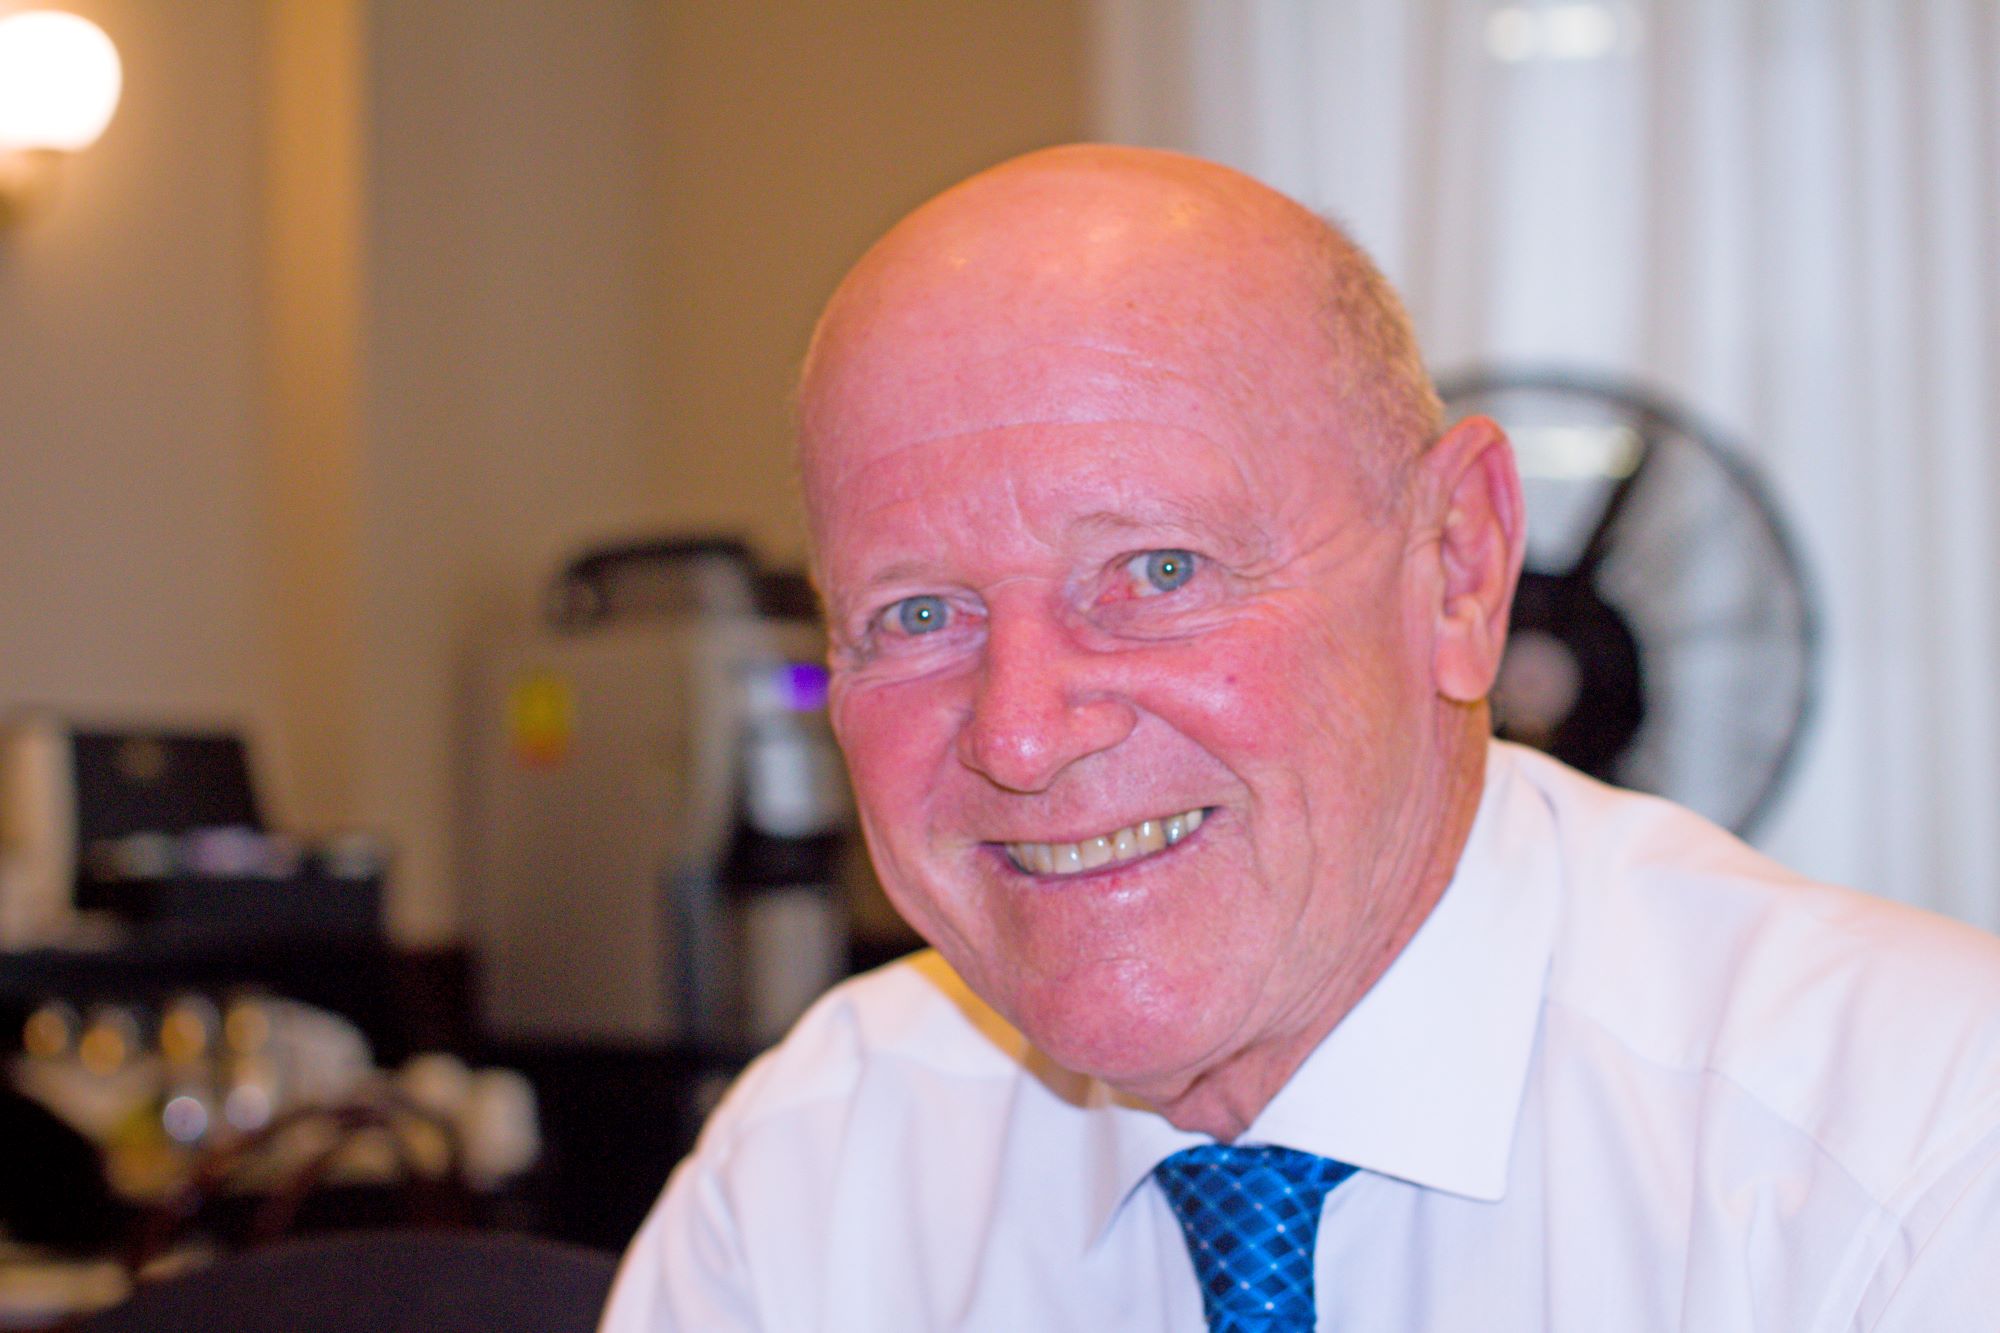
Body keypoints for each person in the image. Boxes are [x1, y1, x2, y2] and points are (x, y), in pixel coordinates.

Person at [599, 146, 2000, 1331]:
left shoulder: (1916, 1159)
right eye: (916, 615)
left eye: (1157, 571)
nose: (1020, 735)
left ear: (1460, 568)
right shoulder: (807, 1181)